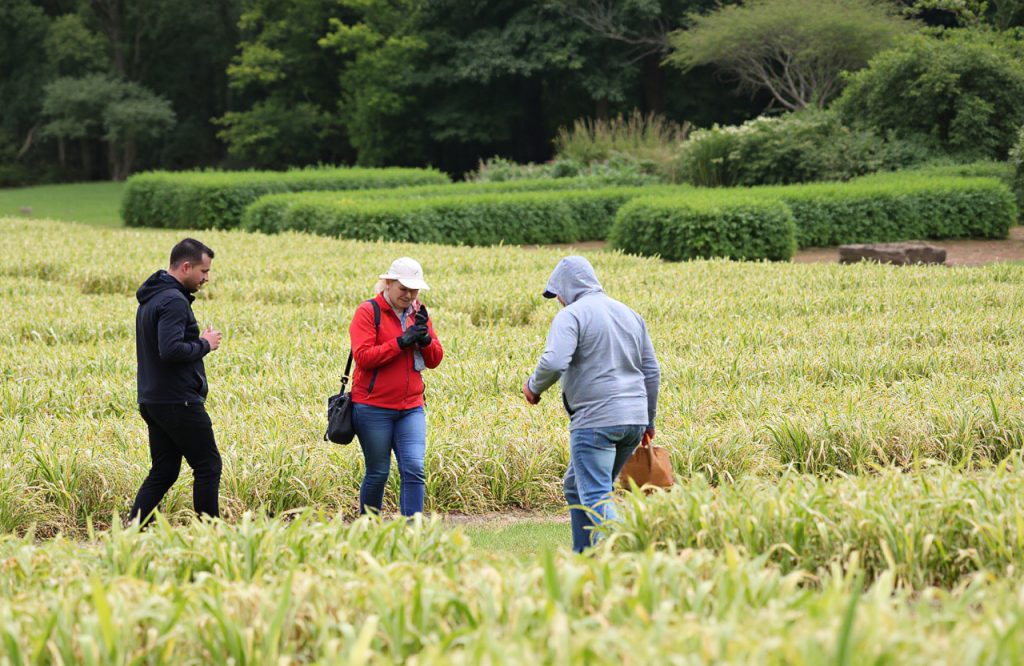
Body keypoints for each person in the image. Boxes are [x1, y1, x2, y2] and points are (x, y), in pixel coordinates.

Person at [523, 255, 660, 552]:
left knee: (596, 494)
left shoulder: (571, 315)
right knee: (576, 486)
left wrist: (533, 387)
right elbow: (651, 370)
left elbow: (555, 360)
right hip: (633, 421)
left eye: (557, 292)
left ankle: (623, 553)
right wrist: (648, 421)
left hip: (596, 420)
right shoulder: (629, 314)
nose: (558, 299)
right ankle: (584, 557)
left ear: (567, 287)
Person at [129, 238, 223, 526]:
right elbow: (169, 350)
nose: (206, 278)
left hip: (153, 399)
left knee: (165, 470)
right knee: (208, 466)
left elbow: (165, 345)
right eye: (203, 271)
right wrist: (205, 344)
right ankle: (211, 535)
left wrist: (194, 341)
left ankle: (132, 530)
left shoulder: (153, 297)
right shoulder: (173, 300)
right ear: (185, 267)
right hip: (177, 401)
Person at [349, 257, 443, 517]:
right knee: (378, 472)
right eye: (403, 288)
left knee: (414, 467)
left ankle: (413, 532)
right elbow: (364, 357)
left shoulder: (419, 312)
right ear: (388, 284)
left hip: (411, 406)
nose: (409, 294)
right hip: (372, 407)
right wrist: (401, 342)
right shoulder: (368, 311)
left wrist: (424, 340)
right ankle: (369, 528)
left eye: (414, 289)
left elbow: (435, 360)